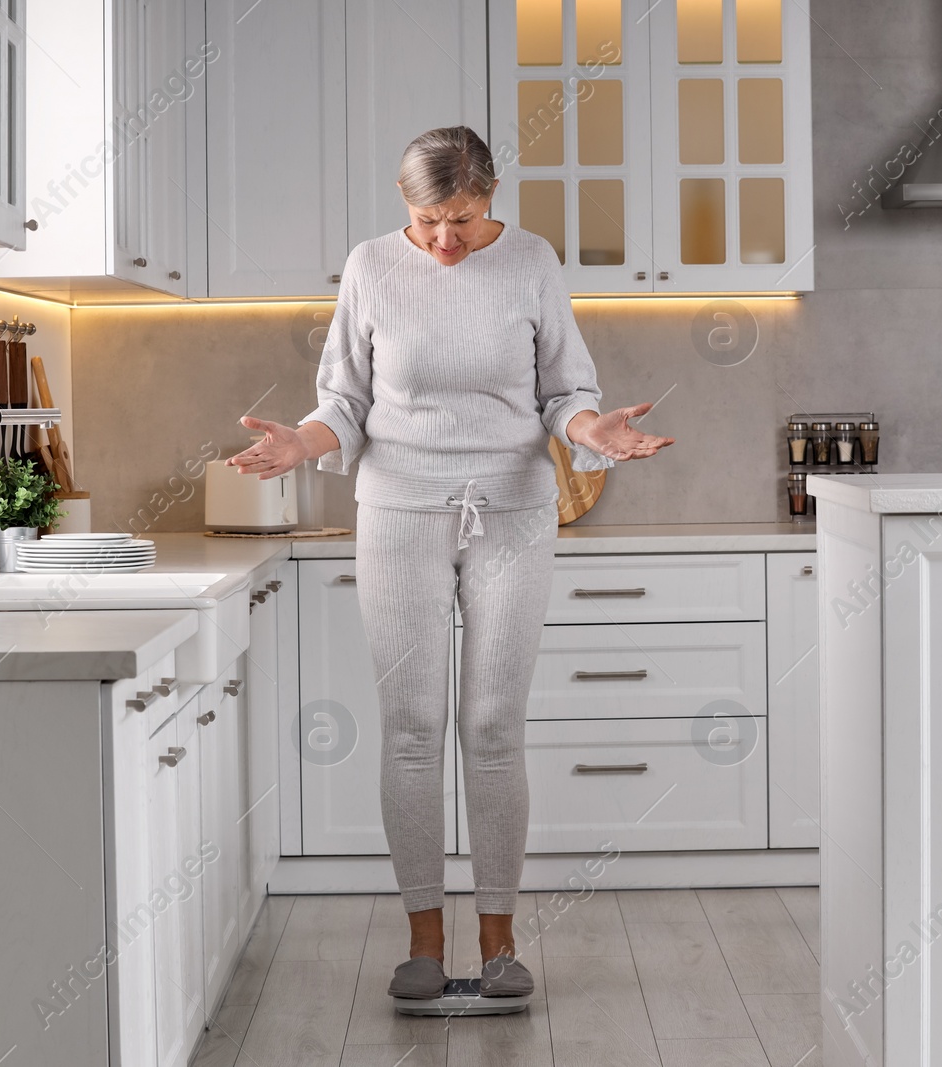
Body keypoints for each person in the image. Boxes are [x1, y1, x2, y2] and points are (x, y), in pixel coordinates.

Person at [227, 125, 673, 1000]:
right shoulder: (368, 267)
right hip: (397, 511)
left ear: (492, 199)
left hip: (511, 512)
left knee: (495, 725)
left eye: (464, 219)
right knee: (410, 726)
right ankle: (424, 938)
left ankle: (501, 939)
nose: (445, 241)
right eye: (430, 218)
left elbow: (565, 392)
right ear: (407, 205)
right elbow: (345, 402)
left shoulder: (534, 262)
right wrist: (299, 441)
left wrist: (594, 431)